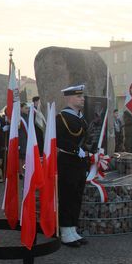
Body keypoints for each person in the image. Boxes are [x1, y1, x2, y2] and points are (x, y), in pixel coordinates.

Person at [56, 84, 90, 247]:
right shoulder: (61, 117)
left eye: (82, 96)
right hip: (68, 162)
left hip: (79, 163)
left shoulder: (80, 117)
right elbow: (59, 139)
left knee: (77, 195)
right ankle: (65, 231)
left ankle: (73, 229)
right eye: (79, 96)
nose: (82, 99)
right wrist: (76, 149)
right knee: (67, 196)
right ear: (69, 98)